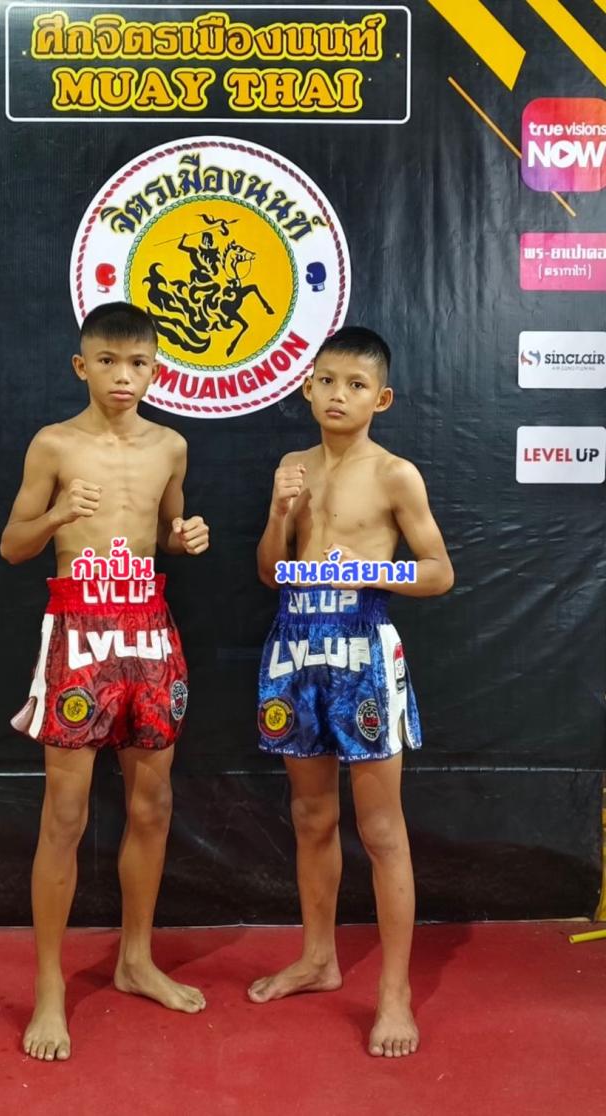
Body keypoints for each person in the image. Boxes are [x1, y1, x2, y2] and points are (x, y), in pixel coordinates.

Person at [0, 301, 210, 1062]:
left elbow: (170, 532)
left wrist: (188, 537)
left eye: (139, 363)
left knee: (152, 805)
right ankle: (50, 990)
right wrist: (57, 513)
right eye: (109, 362)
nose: (124, 376)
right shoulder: (53, 443)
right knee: (65, 814)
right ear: (81, 366)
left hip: (149, 630)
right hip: (79, 632)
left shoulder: (172, 446)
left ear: (157, 370)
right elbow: (13, 546)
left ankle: (136, 960)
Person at [251, 326, 454, 1058]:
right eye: (328, 381)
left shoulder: (396, 474)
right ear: (308, 387)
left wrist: (371, 572)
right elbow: (270, 572)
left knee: (381, 830)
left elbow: (439, 571)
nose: (339, 395)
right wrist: (280, 514)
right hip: (295, 645)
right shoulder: (292, 466)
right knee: (311, 816)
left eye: (356, 385)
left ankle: (395, 993)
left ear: (382, 399)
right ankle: (318, 958)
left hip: (363, 646)